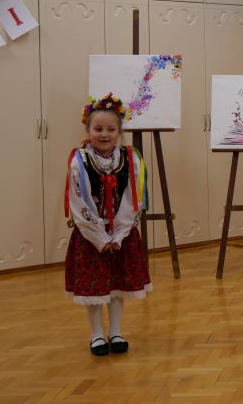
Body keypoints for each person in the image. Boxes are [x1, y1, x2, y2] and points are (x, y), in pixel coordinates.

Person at [64, 93, 152, 356]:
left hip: (120, 235)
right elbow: (78, 202)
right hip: (91, 236)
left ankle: (115, 331)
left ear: (119, 131)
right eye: (98, 129)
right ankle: (96, 335)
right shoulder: (79, 160)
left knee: (116, 286)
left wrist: (119, 234)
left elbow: (134, 199)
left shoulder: (131, 158)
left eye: (111, 129)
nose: (104, 134)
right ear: (88, 129)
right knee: (94, 287)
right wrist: (100, 238)